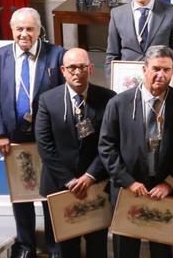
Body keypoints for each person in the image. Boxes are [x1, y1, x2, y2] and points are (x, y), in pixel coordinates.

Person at [0, 7, 64, 258]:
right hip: (14, 137)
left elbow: (64, 97)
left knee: (51, 196)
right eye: (19, 29)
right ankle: (26, 245)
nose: (24, 34)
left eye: (30, 29)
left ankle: (55, 247)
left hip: (48, 139)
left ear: (39, 30)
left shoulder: (56, 55)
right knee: (21, 196)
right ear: (12, 30)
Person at [98, 45, 173, 258]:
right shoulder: (119, 103)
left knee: (162, 251)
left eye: (167, 70)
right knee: (126, 251)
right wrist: (128, 181)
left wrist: (170, 182)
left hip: (164, 190)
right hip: (128, 189)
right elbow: (106, 146)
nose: (161, 75)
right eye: (156, 68)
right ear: (144, 69)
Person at [35, 48, 115, 258]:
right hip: (60, 187)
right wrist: (70, 180)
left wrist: (89, 176)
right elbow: (44, 145)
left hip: (96, 184)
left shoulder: (108, 99)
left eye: (82, 67)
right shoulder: (47, 100)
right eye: (71, 67)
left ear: (90, 68)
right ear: (63, 70)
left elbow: (110, 143)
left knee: (97, 247)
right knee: (65, 249)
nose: (77, 72)